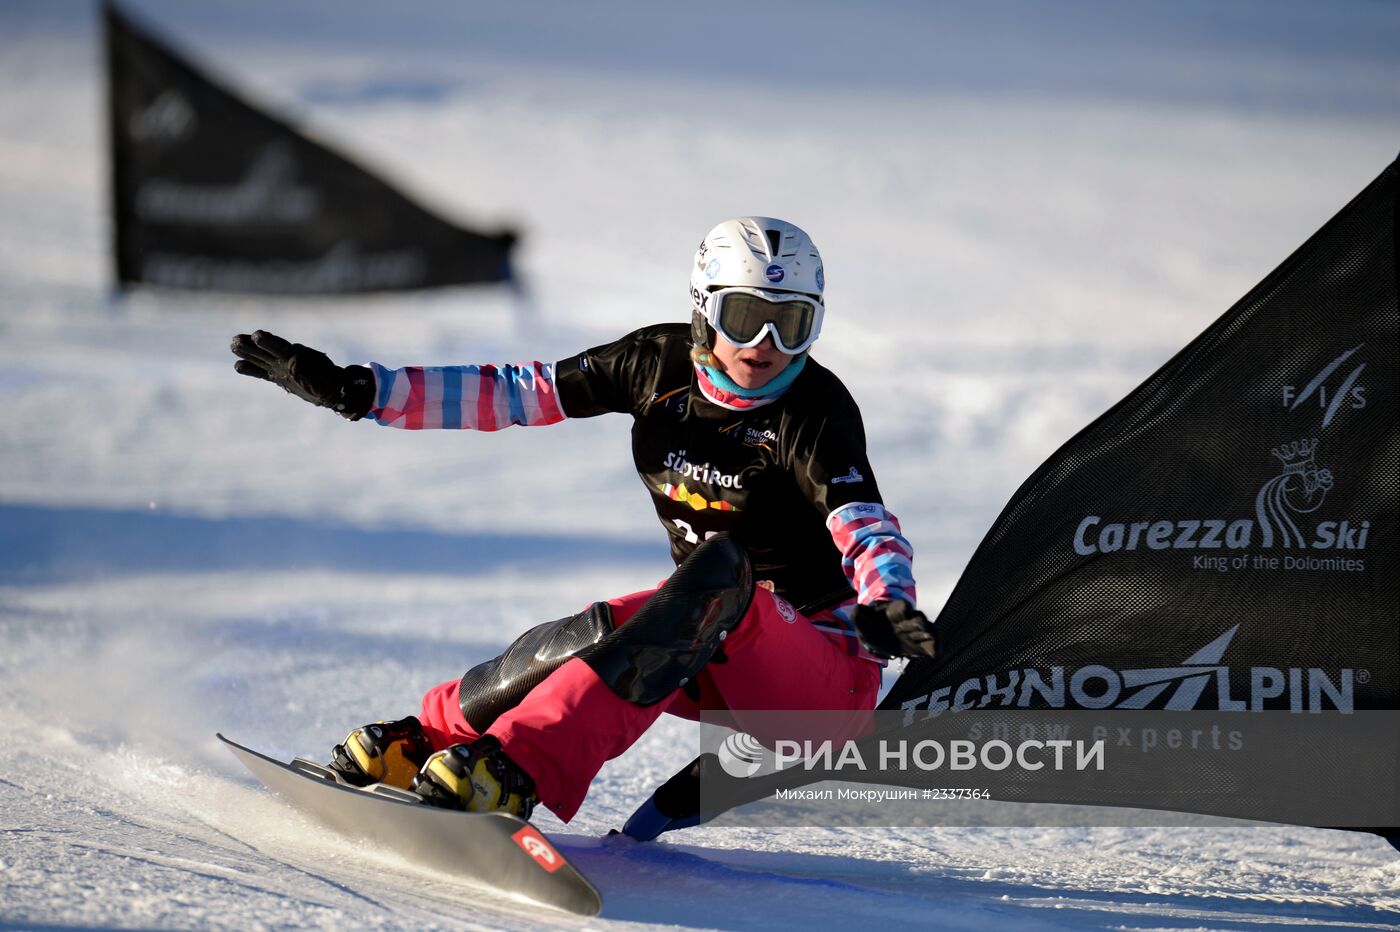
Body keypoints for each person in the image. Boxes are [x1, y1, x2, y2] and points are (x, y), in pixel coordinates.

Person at [230, 216, 935, 827]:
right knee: (603, 631)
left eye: (794, 322)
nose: (768, 343)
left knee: (719, 573)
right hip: (715, 644)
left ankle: (516, 773)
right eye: (747, 316)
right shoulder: (652, 366)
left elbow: (863, 521)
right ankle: (428, 741)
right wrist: (364, 391)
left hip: (824, 689)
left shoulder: (816, 411)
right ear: (704, 309)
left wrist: (885, 598)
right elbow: (512, 393)